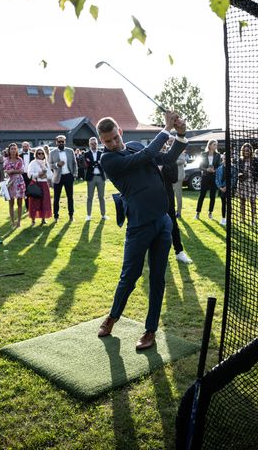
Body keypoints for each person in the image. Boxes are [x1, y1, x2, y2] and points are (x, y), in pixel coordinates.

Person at [96, 111, 187, 351]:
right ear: (102, 142)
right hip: (139, 226)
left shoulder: (134, 145)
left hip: (163, 221)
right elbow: (146, 155)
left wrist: (180, 135)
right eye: (107, 141)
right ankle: (112, 317)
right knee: (130, 277)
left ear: (120, 132)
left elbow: (166, 160)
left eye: (115, 138)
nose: (113, 143)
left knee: (158, 278)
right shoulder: (108, 161)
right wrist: (166, 128)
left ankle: (150, 331)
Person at [160, 137, 192, 264]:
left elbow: (173, 179)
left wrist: (164, 167)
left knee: (172, 223)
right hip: (152, 197)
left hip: (167, 196)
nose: (163, 147)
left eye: (164, 145)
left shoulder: (170, 159)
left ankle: (179, 252)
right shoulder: (150, 158)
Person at [48, 134, 77, 223]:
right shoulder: (52, 153)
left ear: (65, 142)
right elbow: (50, 165)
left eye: (62, 141)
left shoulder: (70, 151)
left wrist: (74, 174)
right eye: (59, 141)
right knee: (56, 198)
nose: (61, 143)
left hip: (68, 176)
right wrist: (57, 164)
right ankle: (56, 216)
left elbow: (74, 163)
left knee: (70, 197)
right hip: (57, 177)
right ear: (56, 142)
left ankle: (71, 215)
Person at [195, 139, 222, 220]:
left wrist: (215, 170)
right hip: (205, 176)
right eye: (214, 144)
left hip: (213, 177)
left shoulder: (218, 155)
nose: (216, 146)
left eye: (216, 145)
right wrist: (207, 169)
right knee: (202, 195)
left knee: (212, 196)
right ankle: (197, 213)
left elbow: (219, 166)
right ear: (209, 145)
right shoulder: (203, 154)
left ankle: (210, 213)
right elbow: (200, 166)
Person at [26, 147, 53, 226]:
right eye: (39, 153)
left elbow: (51, 175)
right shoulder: (33, 163)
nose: (40, 155)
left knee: (44, 202)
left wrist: (45, 176)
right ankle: (33, 221)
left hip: (44, 184)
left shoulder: (46, 163)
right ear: (36, 154)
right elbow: (29, 174)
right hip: (36, 184)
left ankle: (43, 219)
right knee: (34, 202)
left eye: (42, 153)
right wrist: (39, 174)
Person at [83, 137, 107, 221]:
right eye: (92, 144)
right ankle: (88, 215)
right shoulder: (86, 154)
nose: (93, 145)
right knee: (90, 197)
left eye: (95, 143)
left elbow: (103, 164)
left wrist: (93, 163)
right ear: (89, 144)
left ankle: (103, 215)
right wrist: (97, 163)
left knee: (101, 197)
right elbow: (86, 165)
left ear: (97, 143)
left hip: (100, 177)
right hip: (91, 178)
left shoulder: (102, 153)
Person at [3, 142, 26, 228]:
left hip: (19, 182)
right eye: (11, 149)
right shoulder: (6, 160)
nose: (13, 150)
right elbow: (5, 171)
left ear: (17, 150)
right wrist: (8, 172)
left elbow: (21, 170)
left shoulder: (20, 159)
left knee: (19, 203)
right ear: (9, 150)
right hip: (10, 183)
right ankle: (12, 222)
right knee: (11, 203)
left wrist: (12, 171)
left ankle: (19, 222)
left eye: (14, 148)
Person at [236, 143, 258, 225]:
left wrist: (256, 178)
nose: (246, 152)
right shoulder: (240, 160)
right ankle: (243, 219)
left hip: (252, 183)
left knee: (253, 202)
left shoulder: (255, 160)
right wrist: (240, 175)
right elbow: (238, 171)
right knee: (242, 202)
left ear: (250, 151)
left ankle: (253, 220)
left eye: (248, 150)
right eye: (245, 150)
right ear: (242, 151)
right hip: (243, 183)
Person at [215, 153, 237, 226]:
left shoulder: (233, 168)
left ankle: (229, 219)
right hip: (221, 189)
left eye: (227, 158)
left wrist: (227, 186)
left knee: (229, 204)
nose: (225, 160)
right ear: (222, 159)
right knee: (223, 204)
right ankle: (223, 218)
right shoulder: (219, 168)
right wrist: (220, 187)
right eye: (224, 158)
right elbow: (217, 179)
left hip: (229, 189)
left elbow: (234, 179)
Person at [173, 148, 187, 218]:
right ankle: (171, 211)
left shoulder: (179, 150)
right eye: (169, 141)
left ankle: (178, 212)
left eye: (171, 141)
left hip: (178, 176)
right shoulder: (166, 150)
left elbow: (182, 161)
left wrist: (171, 161)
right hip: (169, 176)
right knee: (169, 195)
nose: (169, 142)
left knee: (178, 195)